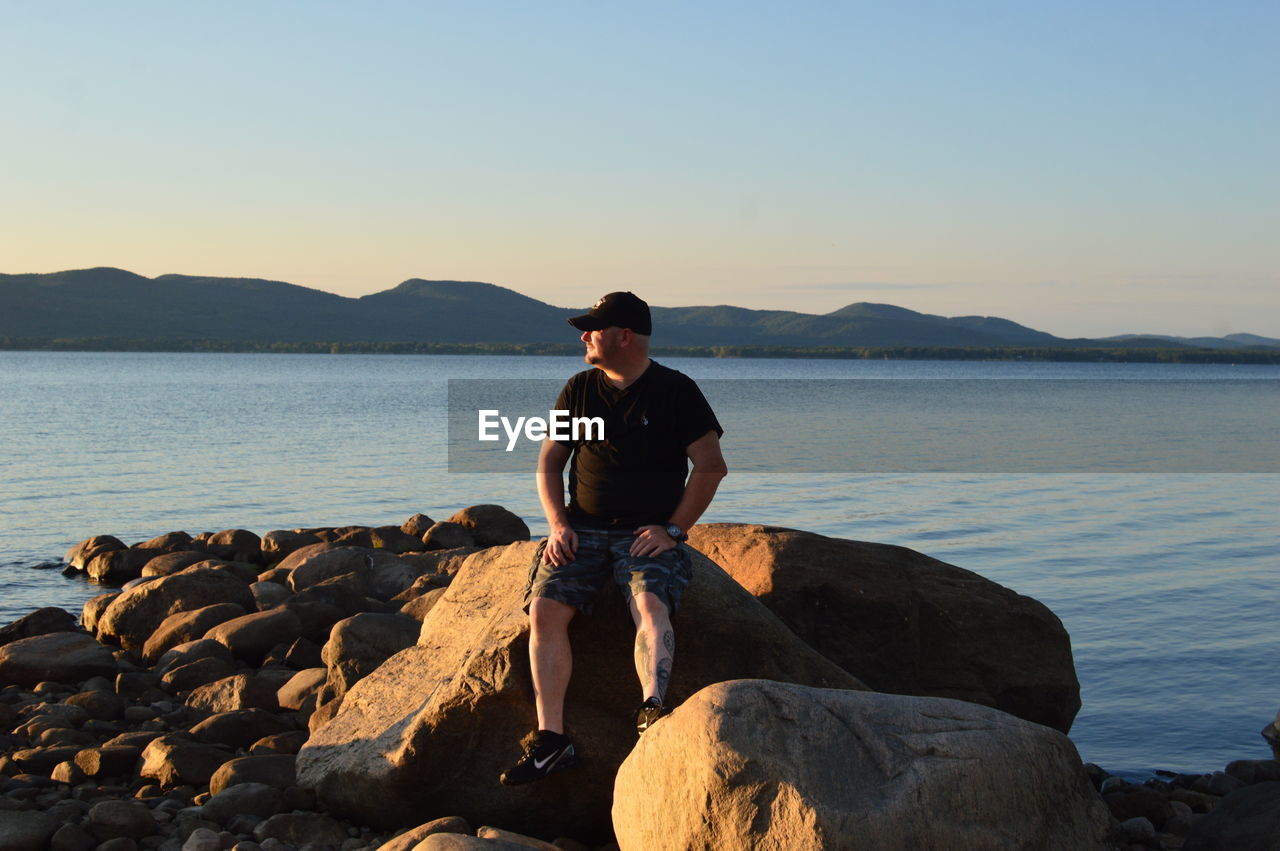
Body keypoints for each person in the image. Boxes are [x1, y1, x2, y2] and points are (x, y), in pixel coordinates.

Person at [499, 291, 727, 786]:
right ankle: (551, 741)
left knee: (648, 604)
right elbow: (550, 462)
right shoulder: (581, 388)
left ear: (624, 336)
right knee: (544, 609)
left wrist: (673, 530)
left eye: (593, 328)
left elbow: (710, 466)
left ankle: (651, 710)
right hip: (580, 529)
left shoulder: (676, 391)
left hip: (645, 535)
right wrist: (558, 524)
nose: (584, 336)